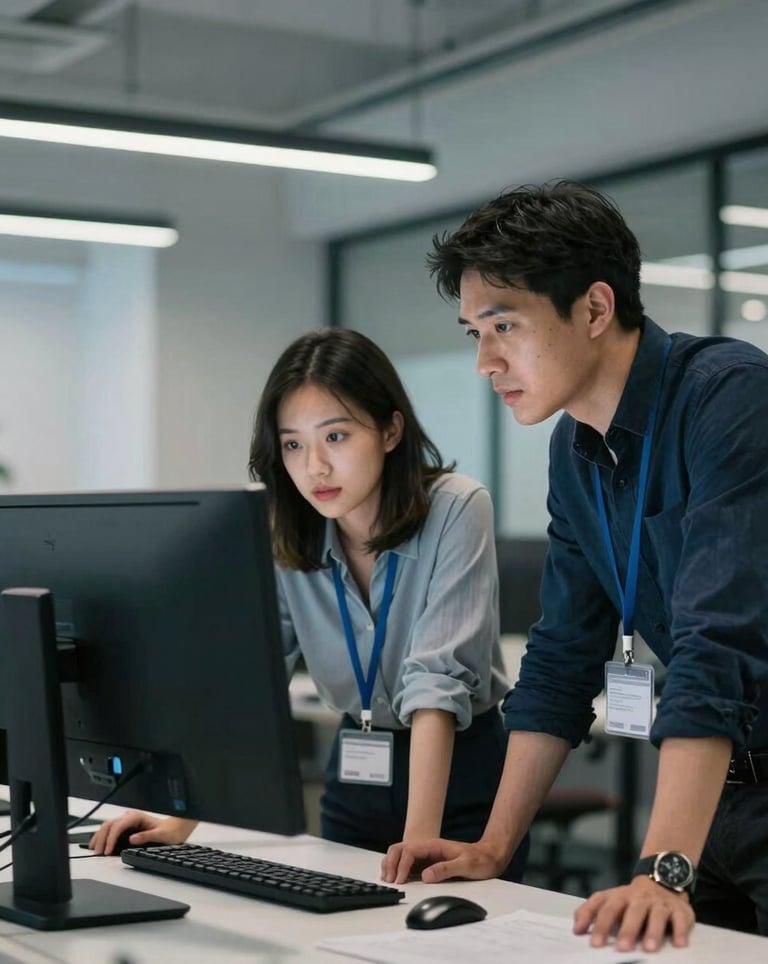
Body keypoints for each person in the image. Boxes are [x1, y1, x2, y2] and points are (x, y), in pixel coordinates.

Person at [380, 181, 768, 950]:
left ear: (593, 309)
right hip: (709, 801)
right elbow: (561, 656)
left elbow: (715, 644)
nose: (487, 361)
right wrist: (493, 848)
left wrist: (662, 870)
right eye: (473, 333)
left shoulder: (731, 398)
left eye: (504, 326)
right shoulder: (574, 448)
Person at [89, 328, 529, 881]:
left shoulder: (457, 509)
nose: (314, 466)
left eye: (336, 437)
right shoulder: (289, 533)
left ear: (391, 430)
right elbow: (250, 679)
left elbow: (436, 683)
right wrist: (179, 815)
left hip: (461, 770)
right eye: (293, 444)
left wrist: (419, 841)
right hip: (356, 766)